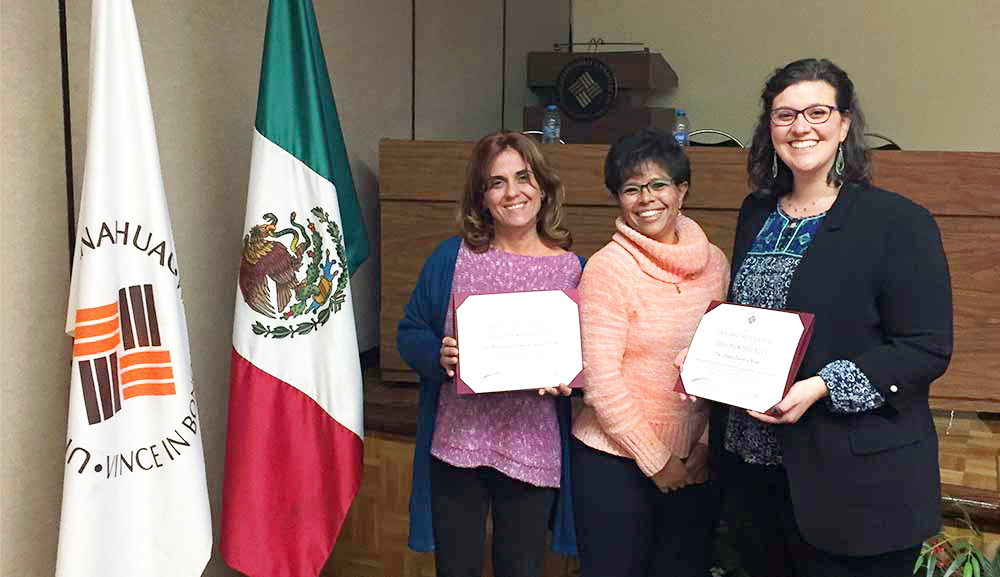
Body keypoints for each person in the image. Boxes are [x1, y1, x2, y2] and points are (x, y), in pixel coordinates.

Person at [711, 58, 953, 577]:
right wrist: (706, 357)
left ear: (844, 124)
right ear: (769, 129)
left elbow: (925, 348)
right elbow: (750, 319)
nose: (801, 127)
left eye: (818, 112)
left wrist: (820, 386)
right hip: (755, 474)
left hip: (857, 487)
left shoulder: (898, 222)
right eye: (784, 115)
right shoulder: (757, 212)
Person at [396, 131, 581, 577]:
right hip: (457, 447)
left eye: (523, 177)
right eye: (496, 182)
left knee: (521, 569)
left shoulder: (572, 269)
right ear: (481, 198)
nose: (513, 192)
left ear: (543, 186)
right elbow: (409, 332)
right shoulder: (452, 257)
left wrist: (570, 380)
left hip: (533, 450)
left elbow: (588, 359)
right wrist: (437, 356)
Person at [571, 128, 729, 577]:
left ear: (682, 190)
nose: (647, 199)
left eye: (658, 184)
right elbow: (600, 383)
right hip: (614, 461)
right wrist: (658, 460)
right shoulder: (608, 268)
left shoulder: (715, 261)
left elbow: (719, 360)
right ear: (618, 198)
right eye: (631, 189)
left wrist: (701, 445)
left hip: (694, 462)